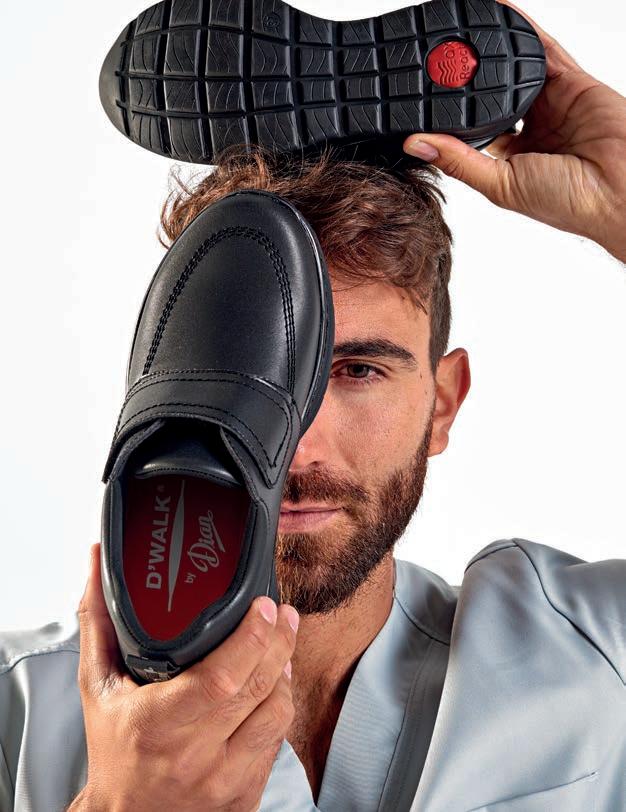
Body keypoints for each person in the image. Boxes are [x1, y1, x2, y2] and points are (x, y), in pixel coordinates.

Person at [1, 3, 624, 811]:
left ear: (443, 405)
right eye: (249, 374)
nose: (296, 443)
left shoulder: (594, 652)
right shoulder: (15, 713)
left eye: (358, 370)